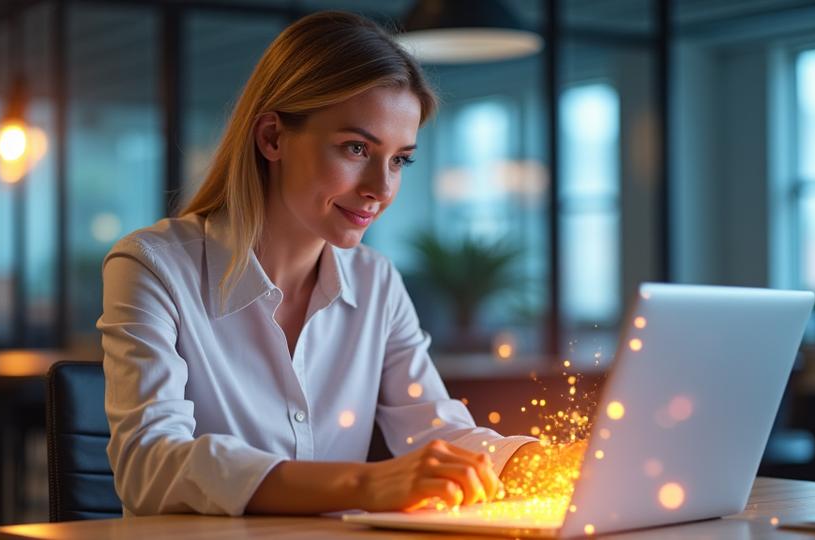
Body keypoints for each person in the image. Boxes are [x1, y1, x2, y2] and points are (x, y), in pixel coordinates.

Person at [97, 10, 547, 518]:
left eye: (400, 159)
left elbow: (435, 427)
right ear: (272, 138)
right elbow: (149, 463)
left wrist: (542, 464)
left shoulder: (376, 282)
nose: (381, 187)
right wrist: (366, 483)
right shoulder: (152, 266)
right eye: (357, 148)